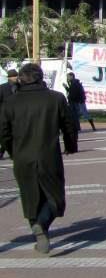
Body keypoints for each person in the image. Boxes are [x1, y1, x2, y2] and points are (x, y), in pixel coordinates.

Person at [0, 63, 78, 254]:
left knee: (30, 198)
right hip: (48, 156)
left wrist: (12, 151)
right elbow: (69, 125)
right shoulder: (56, 98)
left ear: (20, 78)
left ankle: (37, 228)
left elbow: (3, 132)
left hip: (22, 158)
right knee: (55, 196)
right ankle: (42, 224)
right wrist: (70, 145)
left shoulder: (10, 103)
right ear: (41, 77)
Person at [0, 69, 19, 159]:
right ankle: (4, 151)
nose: (16, 77)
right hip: (6, 114)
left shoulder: (20, 87)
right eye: (14, 76)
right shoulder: (3, 88)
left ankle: (12, 152)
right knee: (6, 134)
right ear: (10, 77)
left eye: (16, 76)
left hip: (16, 115)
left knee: (13, 134)